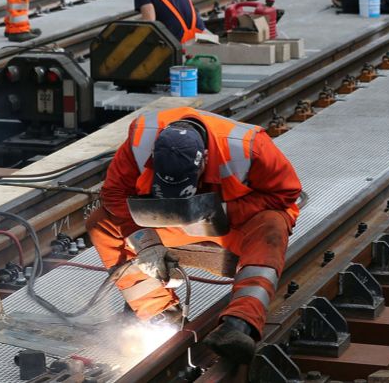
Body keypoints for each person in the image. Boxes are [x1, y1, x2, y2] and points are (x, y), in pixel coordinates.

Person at [86, 107, 302, 363]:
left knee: (271, 225)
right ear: (154, 157)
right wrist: (146, 243)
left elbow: (285, 194)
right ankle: (159, 312)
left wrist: (219, 211)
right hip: (167, 221)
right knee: (101, 223)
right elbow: (113, 195)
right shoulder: (140, 141)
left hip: (227, 223)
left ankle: (239, 324)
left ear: (205, 160)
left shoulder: (249, 148)